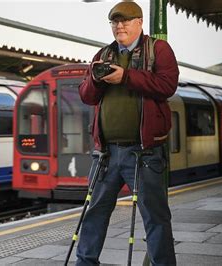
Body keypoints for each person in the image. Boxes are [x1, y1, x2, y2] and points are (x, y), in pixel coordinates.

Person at [77, 1, 179, 265]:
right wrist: (96, 79)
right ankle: (85, 262)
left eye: (125, 21)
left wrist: (126, 77)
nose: (119, 26)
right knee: (94, 212)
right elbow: (86, 96)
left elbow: (167, 85)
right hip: (106, 153)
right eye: (114, 22)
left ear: (139, 22)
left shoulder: (158, 49)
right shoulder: (103, 54)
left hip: (143, 152)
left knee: (155, 216)